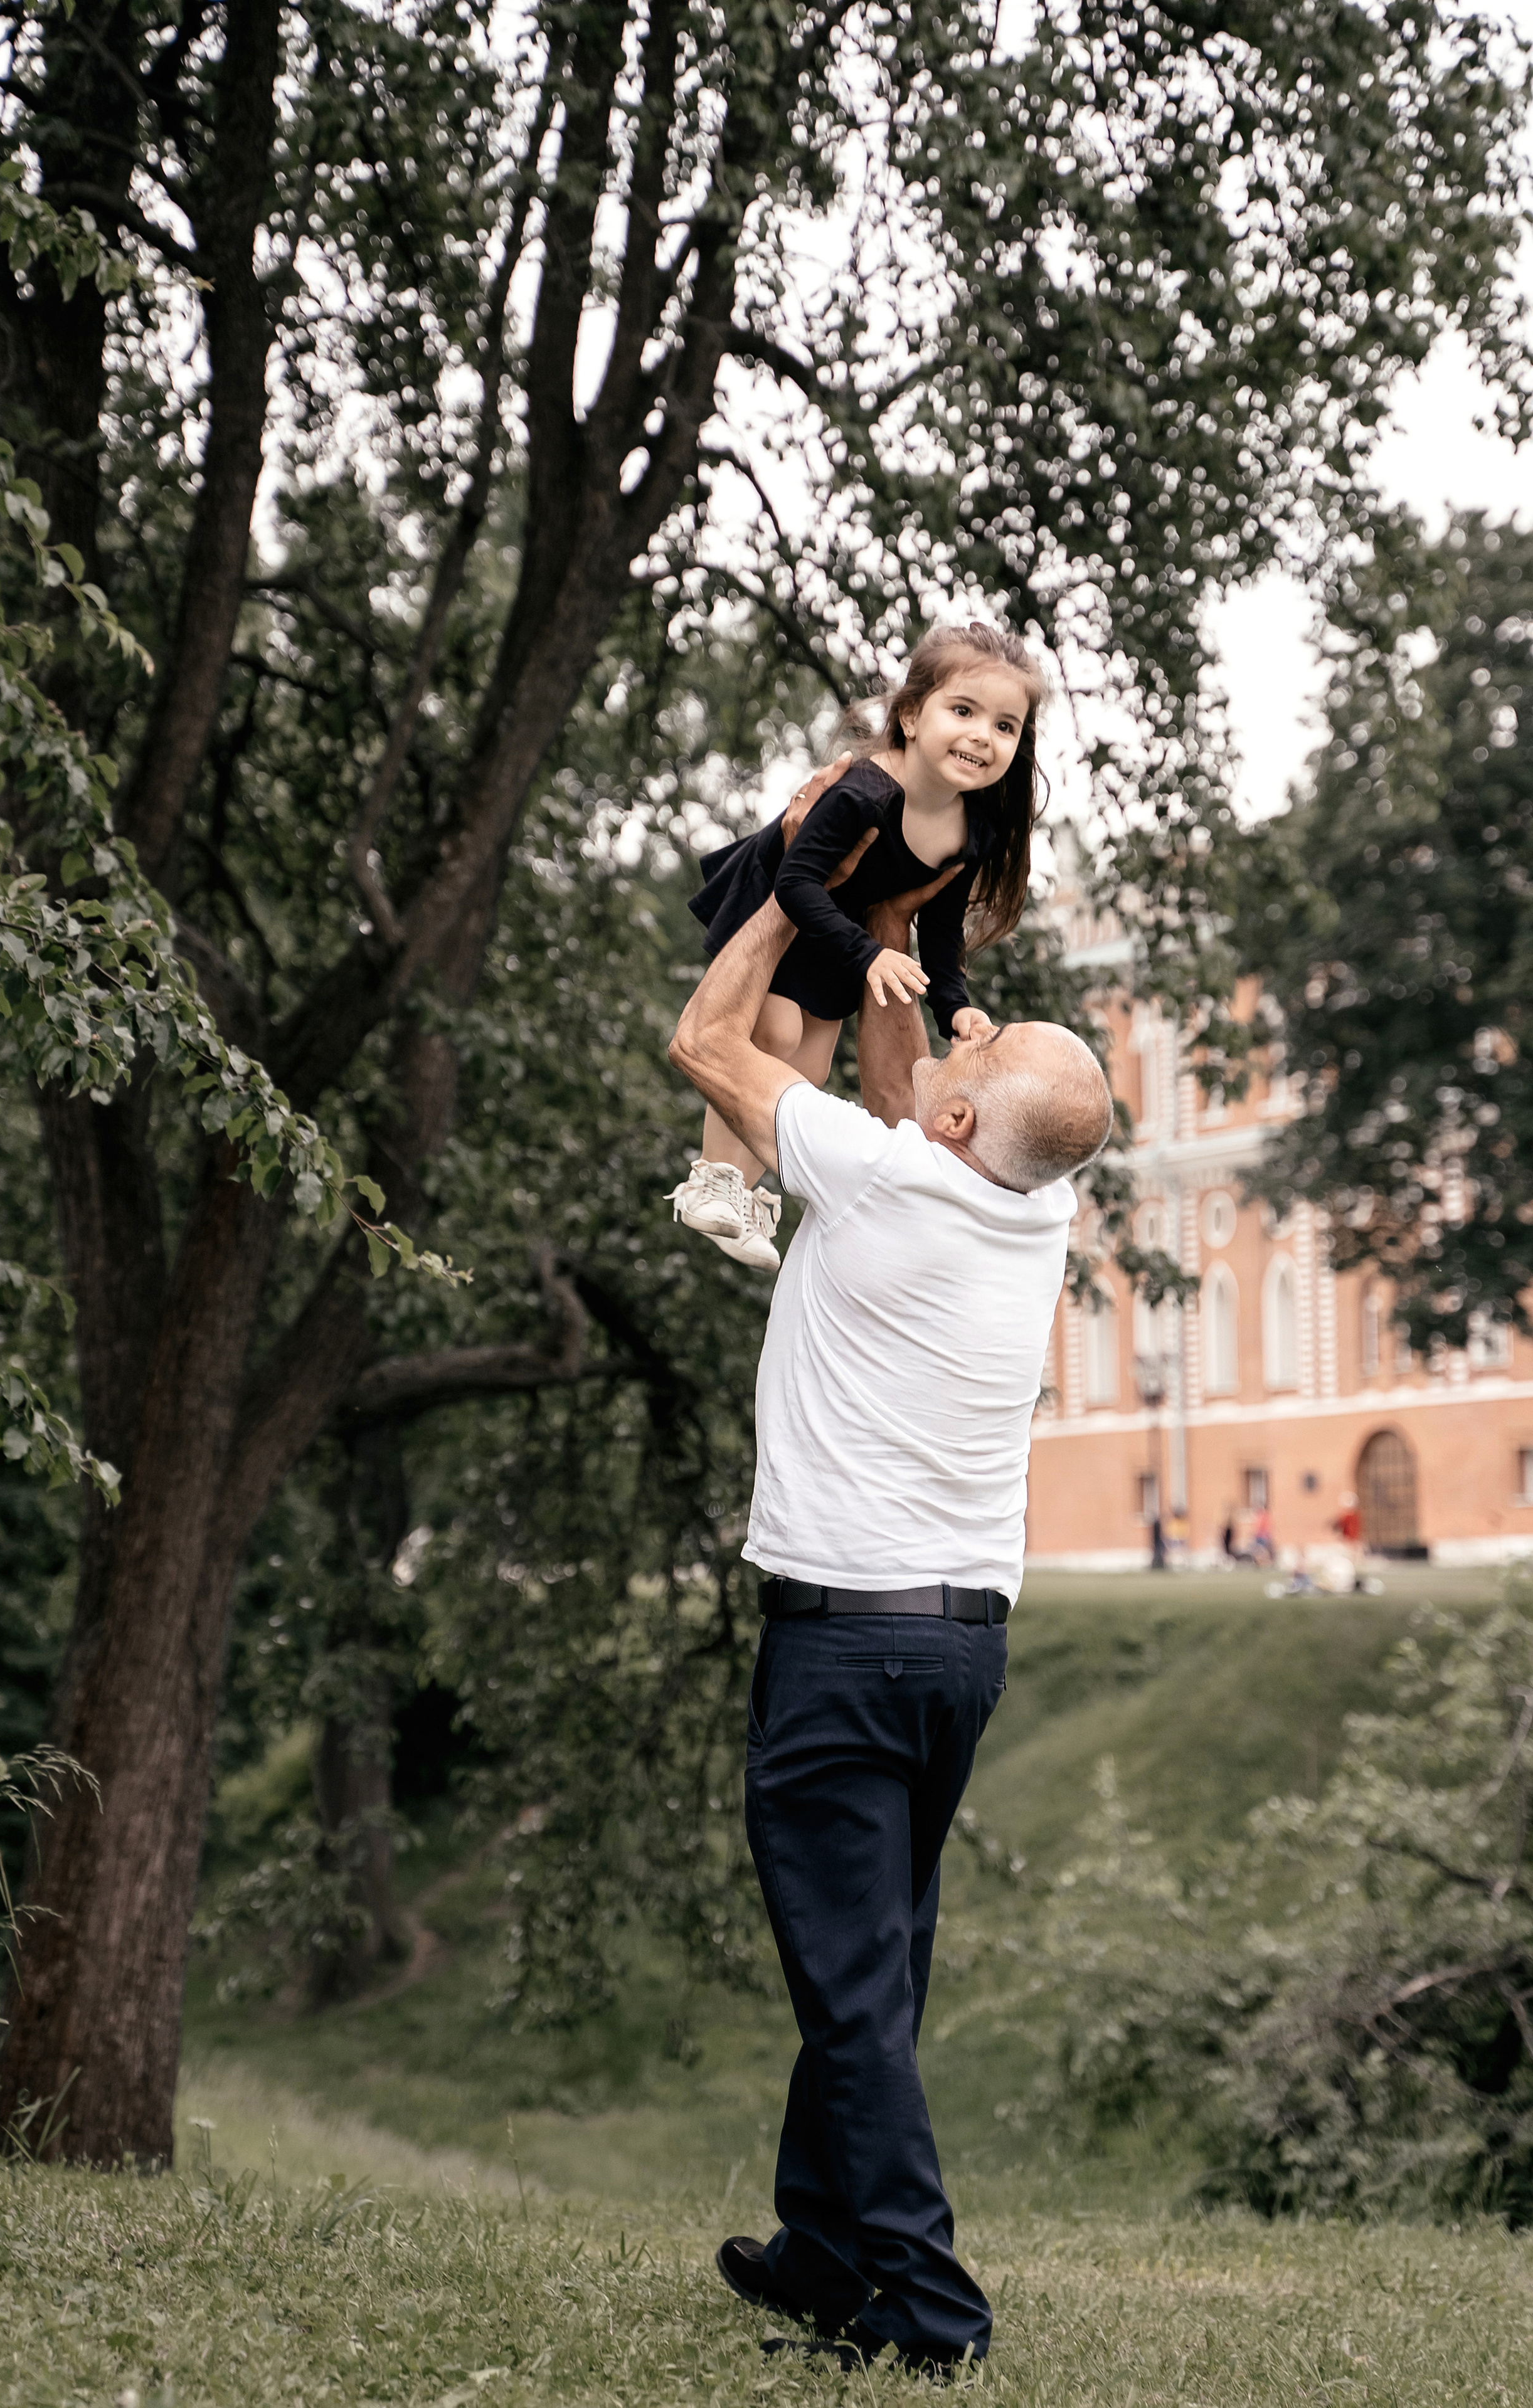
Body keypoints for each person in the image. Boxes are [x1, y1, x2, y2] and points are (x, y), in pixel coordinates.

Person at [667, 776, 1114, 2374]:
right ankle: (816, 2246)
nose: (962, 1036)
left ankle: (926, 2309)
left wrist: (800, 890)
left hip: (845, 1651)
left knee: (854, 1994)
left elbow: (705, 1048)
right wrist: (898, 951)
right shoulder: (1030, 1197)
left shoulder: (889, 1175)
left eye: (974, 1048)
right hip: (957, 1651)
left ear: (947, 1122)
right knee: (873, 1962)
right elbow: (914, 1083)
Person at [666, 621, 1044, 1269]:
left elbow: (942, 931)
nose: (983, 735)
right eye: (963, 711)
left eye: (1005, 726)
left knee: (804, 1076)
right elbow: (795, 881)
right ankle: (711, 1180)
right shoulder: (863, 794)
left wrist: (955, 1009)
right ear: (908, 717)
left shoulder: (970, 831)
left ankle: (744, 1197)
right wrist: (870, 956)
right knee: (776, 1032)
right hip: (789, 902)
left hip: (844, 936)